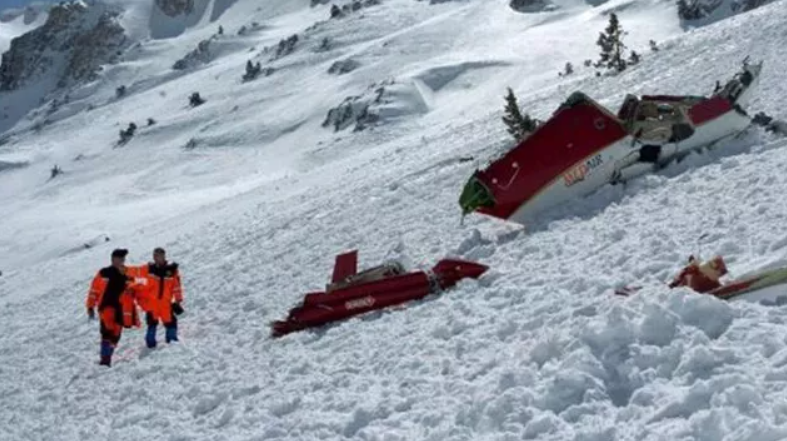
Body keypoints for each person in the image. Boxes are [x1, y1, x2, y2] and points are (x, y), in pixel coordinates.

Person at [86, 249, 149, 366]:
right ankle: (105, 360)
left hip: (123, 309)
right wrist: (90, 306)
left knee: (116, 336)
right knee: (107, 331)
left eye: (123, 259)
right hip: (106, 307)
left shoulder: (128, 273)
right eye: (120, 258)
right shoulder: (104, 273)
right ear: (113, 259)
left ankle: (107, 355)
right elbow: (94, 291)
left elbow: (139, 290)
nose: (122, 261)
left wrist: (147, 306)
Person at [132, 248, 184, 348]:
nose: (156, 257)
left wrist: (178, 299)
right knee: (152, 324)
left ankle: (172, 342)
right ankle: (150, 346)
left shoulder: (172, 269)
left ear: (164, 256)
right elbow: (136, 271)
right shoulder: (149, 268)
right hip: (152, 303)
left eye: (158, 255)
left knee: (171, 322)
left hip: (166, 303)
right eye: (154, 255)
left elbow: (176, 286)